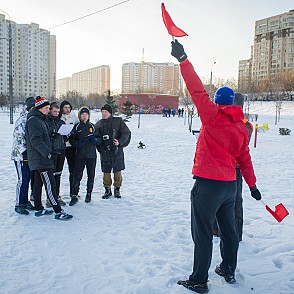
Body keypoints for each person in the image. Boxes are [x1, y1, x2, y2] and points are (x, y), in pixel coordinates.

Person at [171, 40, 261, 293]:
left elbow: (197, 90)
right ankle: (228, 270)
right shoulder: (242, 127)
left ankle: (199, 280)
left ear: (218, 102)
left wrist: (184, 59)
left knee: (202, 233)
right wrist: (252, 186)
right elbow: (245, 159)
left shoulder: (212, 116)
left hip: (208, 185)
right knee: (229, 230)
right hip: (230, 187)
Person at [26, 96, 73, 220]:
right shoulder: (34, 120)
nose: (48, 110)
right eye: (47, 108)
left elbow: (42, 137)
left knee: (38, 183)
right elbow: (36, 141)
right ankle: (58, 211)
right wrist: (48, 153)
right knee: (50, 184)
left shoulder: (39, 119)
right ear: (40, 108)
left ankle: (38, 208)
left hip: (40, 158)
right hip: (41, 159)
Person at [95, 104, 131, 199]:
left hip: (117, 151)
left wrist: (120, 142)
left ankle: (117, 189)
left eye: (105, 112)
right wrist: (101, 150)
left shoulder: (118, 121)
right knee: (106, 172)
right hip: (105, 152)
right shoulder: (98, 124)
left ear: (110, 112)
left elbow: (126, 132)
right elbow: (97, 138)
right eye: (102, 112)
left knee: (117, 171)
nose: (103, 113)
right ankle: (107, 190)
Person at [69, 106, 100, 205]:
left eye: (86, 114)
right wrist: (77, 144)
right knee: (77, 176)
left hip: (91, 156)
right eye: (82, 114)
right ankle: (74, 195)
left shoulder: (93, 126)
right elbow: (71, 139)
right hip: (80, 156)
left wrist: (96, 141)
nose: (84, 116)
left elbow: (99, 139)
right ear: (80, 116)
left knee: (91, 175)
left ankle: (89, 194)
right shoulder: (77, 126)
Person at [11, 96, 35, 215]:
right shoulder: (23, 120)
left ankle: (25, 201)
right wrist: (24, 152)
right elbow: (19, 138)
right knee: (22, 179)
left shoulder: (30, 118)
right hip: (20, 155)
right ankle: (19, 204)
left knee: (28, 178)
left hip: (28, 155)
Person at [46, 102, 67, 207]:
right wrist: (52, 135)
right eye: (54, 111)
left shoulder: (61, 122)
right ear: (50, 110)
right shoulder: (46, 121)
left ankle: (57, 195)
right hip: (51, 151)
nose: (56, 113)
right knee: (50, 176)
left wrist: (66, 135)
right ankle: (49, 197)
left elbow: (64, 137)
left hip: (61, 150)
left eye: (58, 112)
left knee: (58, 174)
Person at [59, 100, 79, 199]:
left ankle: (73, 192)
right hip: (61, 147)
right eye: (65, 107)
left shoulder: (74, 118)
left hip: (71, 147)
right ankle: (56, 193)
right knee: (58, 171)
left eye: (68, 107)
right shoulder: (58, 117)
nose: (67, 109)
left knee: (73, 170)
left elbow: (77, 129)